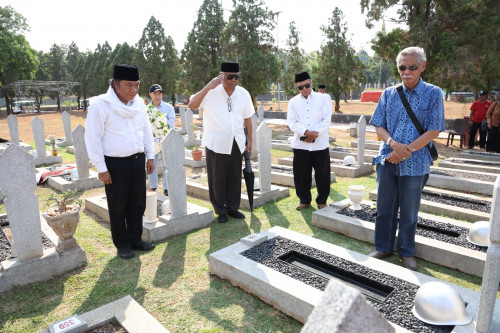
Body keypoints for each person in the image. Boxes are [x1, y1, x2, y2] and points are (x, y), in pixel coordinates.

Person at [368, 47, 445, 271]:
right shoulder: (389, 94)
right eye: (402, 67)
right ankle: (383, 246)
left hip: (416, 163)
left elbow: (434, 130)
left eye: (412, 67)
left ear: (423, 66)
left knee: (409, 212)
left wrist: (406, 150)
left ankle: (406, 251)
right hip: (388, 159)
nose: (407, 72)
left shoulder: (433, 93)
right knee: (384, 209)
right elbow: (379, 125)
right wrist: (393, 145)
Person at [85, 64, 156, 259]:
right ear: (115, 84)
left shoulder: (139, 103)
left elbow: (145, 130)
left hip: (137, 160)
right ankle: (122, 245)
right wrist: (101, 168)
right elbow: (92, 138)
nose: (133, 90)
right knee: (118, 206)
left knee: (137, 203)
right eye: (128, 85)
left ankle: (136, 239)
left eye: (137, 85)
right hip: (115, 164)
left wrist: (150, 156)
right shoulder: (101, 105)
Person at [188, 62, 253, 223]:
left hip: (236, 142)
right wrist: (207, 87)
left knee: (234, 177)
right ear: (221, 76)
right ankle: (220, 210)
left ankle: (233, 208)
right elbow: (192, 105)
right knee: (217, 178)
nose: (233, 80)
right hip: (216, 143)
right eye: (229, 76)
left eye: (236, 77)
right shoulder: (210, 92)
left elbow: (248, 119)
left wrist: (250, 140)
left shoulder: (243, 94)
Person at [287, 71, 332, 210]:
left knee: (323, 174)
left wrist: (314, 134)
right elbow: (292, 122)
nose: (304, 89)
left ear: (310, 82)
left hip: (320, 144)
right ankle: (304, 200)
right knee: (301, 175)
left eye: (306, 85)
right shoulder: (293, 102)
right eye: (300, 87)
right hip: (301, 145)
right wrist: (306, 133)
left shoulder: (324, 98)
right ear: (297, 87)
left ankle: (322, 201)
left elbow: (326, 119)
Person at [147, 84, 176, 196]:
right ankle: (153, 186)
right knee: (151, 164)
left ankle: (166, 187)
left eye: (159, 93)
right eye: (155, 93)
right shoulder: (146, 109)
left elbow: (171, 125)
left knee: (167, 165)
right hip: (151, 141)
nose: (157, 96)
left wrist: (159, 122)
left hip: (165, 140)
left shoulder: (169, 108)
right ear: (150, 94)